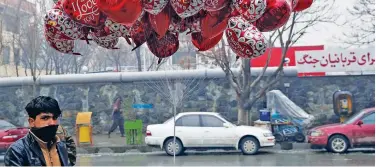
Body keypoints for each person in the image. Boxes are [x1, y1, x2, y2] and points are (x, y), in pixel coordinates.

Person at [4, 96, 69, 166]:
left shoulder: (61, 146)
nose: (52, 123)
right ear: (32, 122)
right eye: (45, 118)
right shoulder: (17, 151)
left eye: (55, 117)